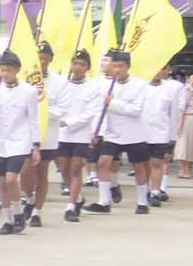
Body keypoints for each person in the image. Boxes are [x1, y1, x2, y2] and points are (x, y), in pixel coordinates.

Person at [85, 49, 152, 215]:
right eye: (114, 66)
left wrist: (113, 103)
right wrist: (95, 131)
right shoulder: (106, 85)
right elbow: (99, 110)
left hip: (134, 132)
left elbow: (136, 110)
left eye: (121, 66)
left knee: (139, 167)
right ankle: (104, 201)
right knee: (103, 162)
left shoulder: (140, 85)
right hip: (112, 132)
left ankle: (142, 202)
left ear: (128, 66)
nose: (117, 70)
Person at [0, 52, 40, 235]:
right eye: (2, 69)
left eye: (8, 70)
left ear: (17, 70)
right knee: (2, 183)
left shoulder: (29, 91)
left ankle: (19, 213)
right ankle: (7, 220)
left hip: (20, 140)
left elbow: (33, 119)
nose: (4, 73)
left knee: (11, 179)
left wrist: (36, 146)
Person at [54, 50, 103, 222]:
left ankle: (71, 206)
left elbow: (90, 113)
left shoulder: (93, 87)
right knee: (63, 168)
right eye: (75, 63)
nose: (78, 67)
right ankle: (78, 197)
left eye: (82, 64)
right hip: (61, 134)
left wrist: (69, 122)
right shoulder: (62, 85)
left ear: (87, 67)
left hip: (80, 134)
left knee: (75, 169)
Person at [20, 41, 63, 227]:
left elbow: (62, 110)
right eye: (39, 58)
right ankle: (29, 199)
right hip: (26, 133)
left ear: (51, 59)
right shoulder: (24, 79)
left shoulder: (60, 82)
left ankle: (37, 211)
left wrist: (43, 111)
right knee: (26, 170)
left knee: (42, 172)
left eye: (45, 59)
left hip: (48, 133)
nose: (42, 62)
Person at [142, 67, 184, 206]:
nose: (157, 72)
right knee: (144, 164)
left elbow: (173, 114)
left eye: (161, 69)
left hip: (161, 132)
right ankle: (144, 191)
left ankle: (155, 191)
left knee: (157, 162)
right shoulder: (141, 87)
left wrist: (172, 135)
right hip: (142, 132)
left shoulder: (170, 89)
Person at [175, 68, 193, 179]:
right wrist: (180, 122)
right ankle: (182, 171)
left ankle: (189, 170)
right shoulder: (185, 90)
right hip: (187, 118)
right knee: (185, 144)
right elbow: (182, 107)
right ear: (188, 78)